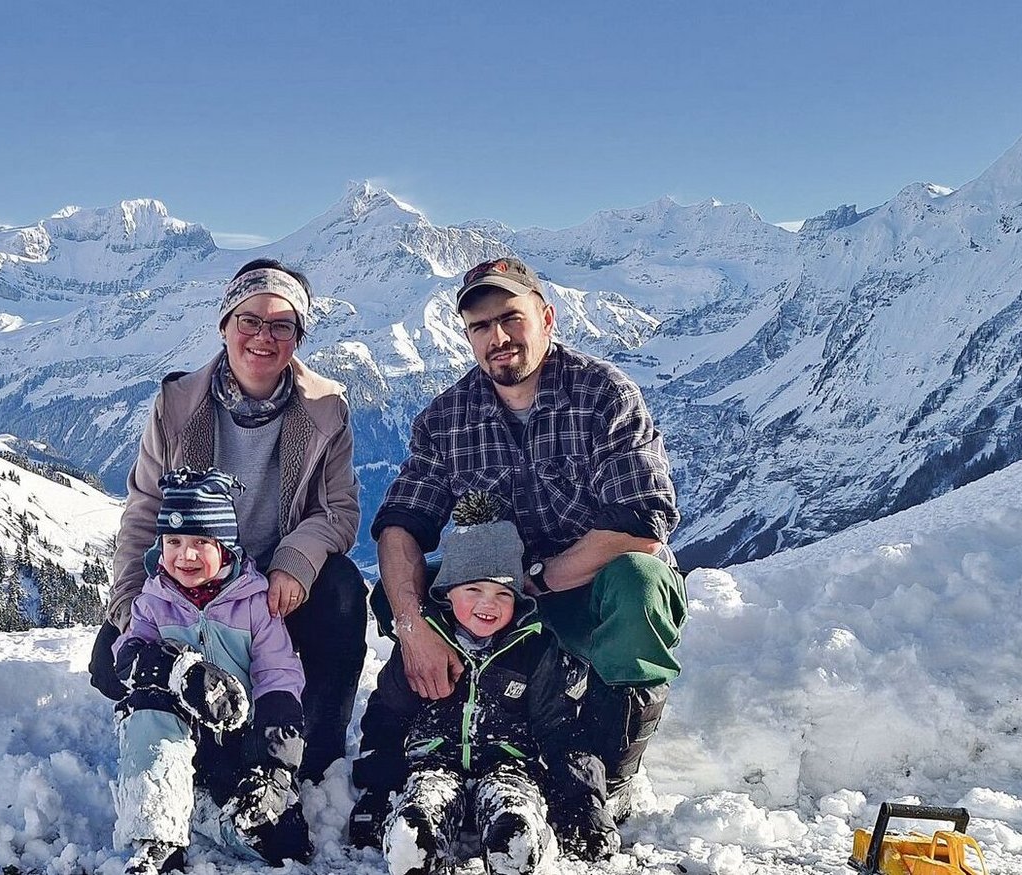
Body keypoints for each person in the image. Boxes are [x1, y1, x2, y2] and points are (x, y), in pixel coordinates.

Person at [357, 254, 688, 841]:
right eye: (480, 327)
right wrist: (412, 625)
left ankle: (606, 775)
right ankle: (455, 720)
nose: (498, 337)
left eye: (511, 318)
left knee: (643, 583)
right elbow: (402, 523)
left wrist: (536, 579)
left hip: (585, 585)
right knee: (395, 585)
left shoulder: (602, 395)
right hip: (502, 592)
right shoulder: (449, 417)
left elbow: (642, 520)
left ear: (547, 317)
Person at [93, 257, 366, 783]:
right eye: (250, 320)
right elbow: (145, 509)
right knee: (110, 664)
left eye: (281, 325)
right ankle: (195, 722)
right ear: (225, 326)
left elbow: (339, 510)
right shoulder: (177, 406)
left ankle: (318, 746)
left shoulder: (326, 409)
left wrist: (295, 561)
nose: (264, 336)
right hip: (190, 573)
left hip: (271, 584)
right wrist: (130, 600)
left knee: (342, 591)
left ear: (298, 337)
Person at [356, 494, 613, 874]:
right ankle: (417, 842)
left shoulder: (534, 649)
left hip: (510, 766)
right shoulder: (424, 648)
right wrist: (376, 790)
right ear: (447, 593)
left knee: (513, 803)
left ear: (519, 601)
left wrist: (582, 803)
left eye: (502, 594)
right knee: (426, 798)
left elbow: (559, 729)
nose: (487, 604)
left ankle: (514, 842)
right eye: (473, 590)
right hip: (433, 762)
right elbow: (388, 715)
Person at [112, 467, 312, 872]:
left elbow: (278, 678)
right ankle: (158, 835)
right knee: (148, 702)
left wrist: (274, 766)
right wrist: (176, 669)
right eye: (174, 541)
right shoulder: (154, 602)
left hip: (241, 744)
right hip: (174, 740)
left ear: (225, 546)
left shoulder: (255, 603)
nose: (185, 555)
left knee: (284, 843)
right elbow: (127, 661)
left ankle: (202, 809)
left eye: (201, 541)